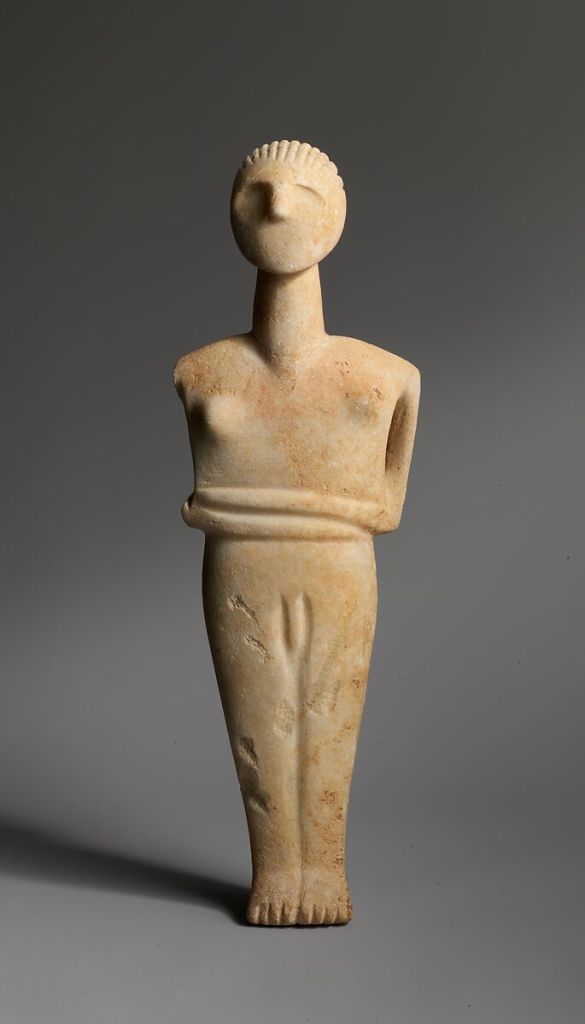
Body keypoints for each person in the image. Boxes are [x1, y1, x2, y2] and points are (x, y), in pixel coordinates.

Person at [174, 140, 420, 925]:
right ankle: (278, 869)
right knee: (261, 721)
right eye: (257, 194)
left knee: (326, 714)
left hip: (338, 562)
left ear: (335, 218)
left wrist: (343, 512)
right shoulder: (201, 372)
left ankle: (326, 870)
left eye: (301, 195)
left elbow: (388, 503)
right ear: (232, 218)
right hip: (240, 562)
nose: (277, 208)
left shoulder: (386, 377)